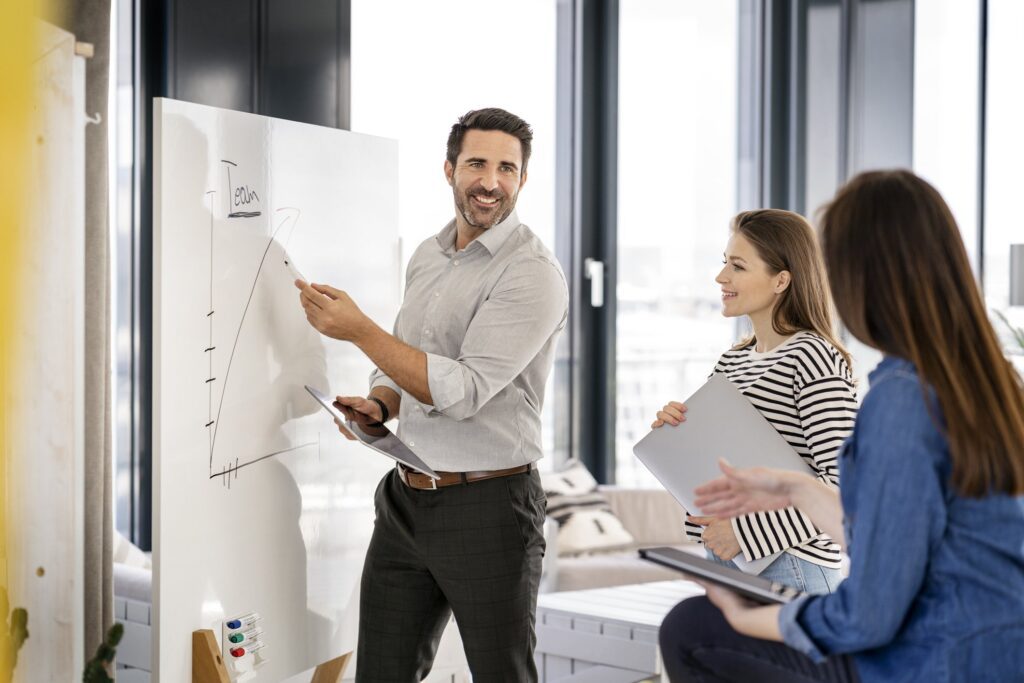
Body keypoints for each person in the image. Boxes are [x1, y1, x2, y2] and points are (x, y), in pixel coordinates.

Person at [658, 169, 1024, 682]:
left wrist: (762, 617)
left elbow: (871, 612)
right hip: (981, 646)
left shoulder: (901, 398)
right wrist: (791, 487)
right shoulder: (983, 383)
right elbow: (891, 536)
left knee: (691, 629)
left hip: (933, 657)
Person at [295, 108, 568, 681]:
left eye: (506, 168)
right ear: (449, 169)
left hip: (490, 507)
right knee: (380, 674)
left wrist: (357, 330)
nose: (490, 181)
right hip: (405, 498)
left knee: (503, 675)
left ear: (523, 179)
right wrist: (382, 404)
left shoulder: (532, 273)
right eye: (476, 163)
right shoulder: (428, 254)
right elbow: (406, 353)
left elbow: (464, 390)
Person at [652, 209, 857, 593]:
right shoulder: (732, 360)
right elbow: (719, 469)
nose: (721, 277)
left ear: (781, 280)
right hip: (731, 558)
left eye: (738, 266)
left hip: (794, 565)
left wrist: (745, 533)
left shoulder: (812, 357)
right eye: (724, 263)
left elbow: (845, 489)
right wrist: (677, 435)